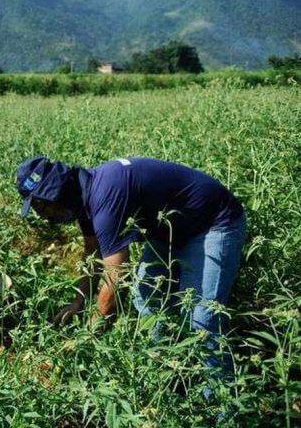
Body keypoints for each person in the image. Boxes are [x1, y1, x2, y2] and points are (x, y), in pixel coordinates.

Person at [15, 156, 246, 377]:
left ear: (55, 193)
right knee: (147, 298)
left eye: (39, 205)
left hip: (213, 223)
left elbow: (116, 278)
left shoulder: (105, 198)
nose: (41, 214)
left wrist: (87, 339)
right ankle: (165, 373)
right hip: (170, 230)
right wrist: (79, 301)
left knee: (202, 320)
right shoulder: (83, 197)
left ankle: (221, 407)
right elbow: (92, 254)